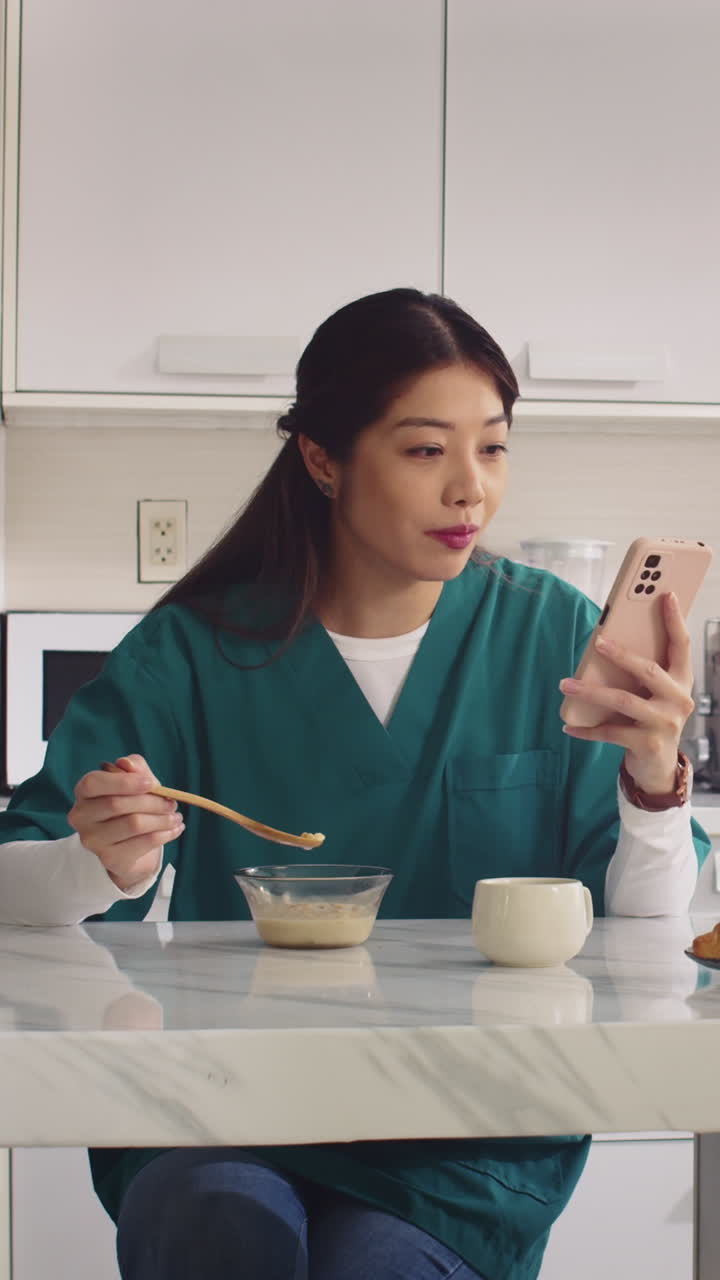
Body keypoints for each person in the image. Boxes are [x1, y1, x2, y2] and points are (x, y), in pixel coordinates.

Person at [0, 288, 709, 1280]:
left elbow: (650, 931)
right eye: (426, 450)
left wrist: (649, 780)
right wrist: (95, 862)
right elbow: (13, 885)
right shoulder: (197, 646)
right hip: (218, 1102)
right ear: (324, 459)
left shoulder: (553, 635)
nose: (471, 489)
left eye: (494, 447)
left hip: (465, 1132)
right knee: (220, 1220)